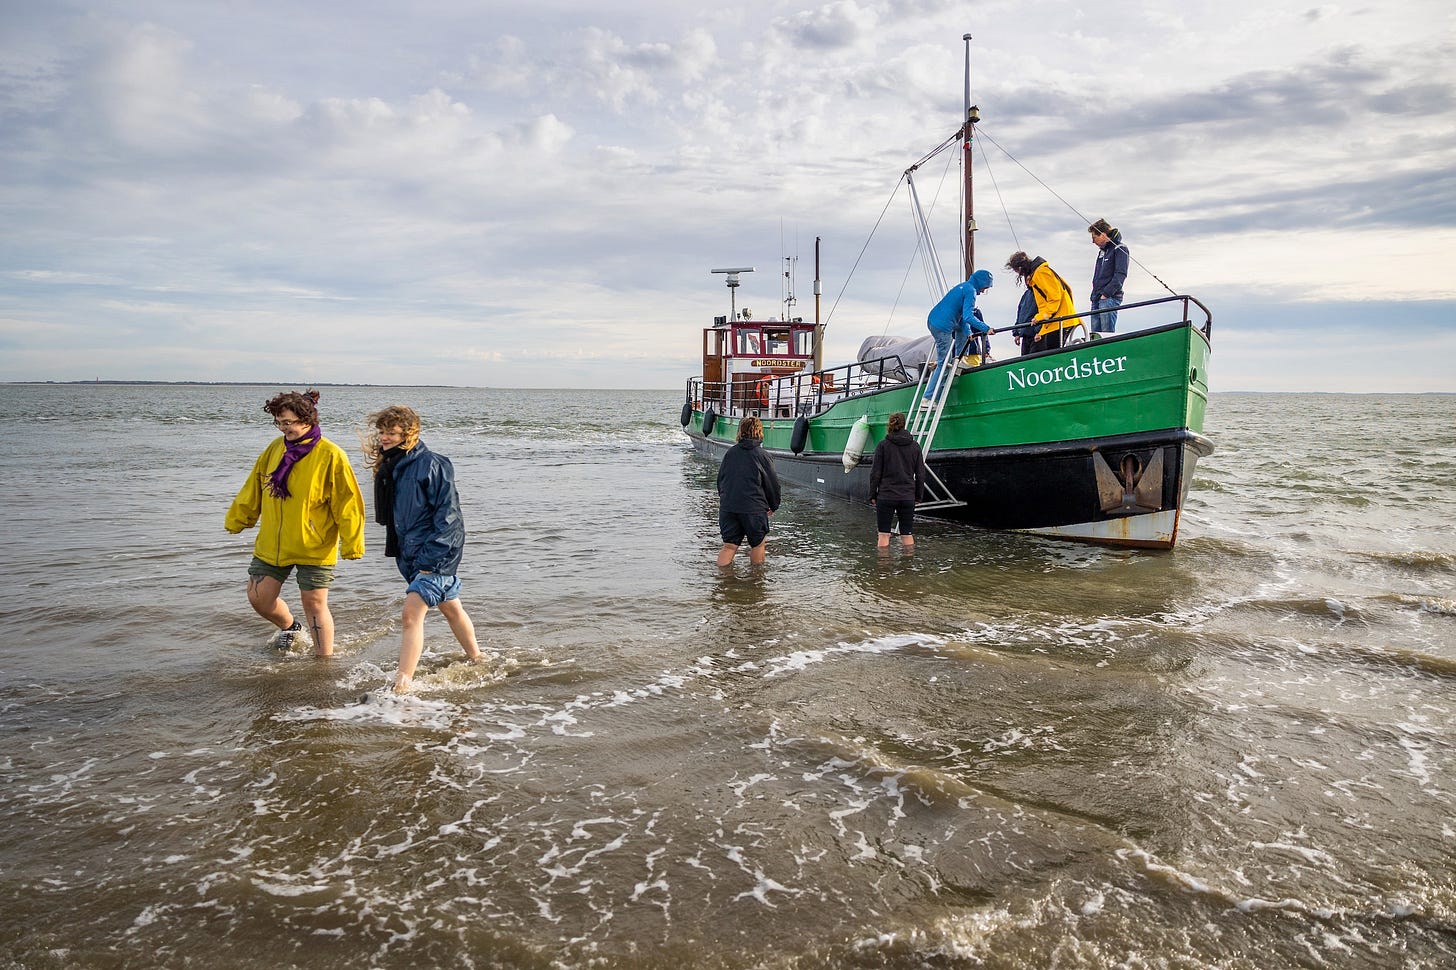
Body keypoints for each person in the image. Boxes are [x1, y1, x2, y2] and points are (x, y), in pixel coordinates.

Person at [226, 389, 365, 656]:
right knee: (259, 598)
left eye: (288, 422)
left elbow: (348, 503)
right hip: (273, 543)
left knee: (314, 603)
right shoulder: (274, 449)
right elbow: (255, 486)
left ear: (307, 419)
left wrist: (351, 544)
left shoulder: (331, 455)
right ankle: (290, 627)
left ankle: (323, 661)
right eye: (279, 422)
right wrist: (238, 518)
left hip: (314, 543)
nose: (283, 428)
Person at [362, 405, 483, 694]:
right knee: (451, 607)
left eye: (391, 433)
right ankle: (478, 659)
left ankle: (402, 685)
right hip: (411, 554)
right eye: (382, 432)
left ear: (409, 434)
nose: (384, 438)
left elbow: (450, 516)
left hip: (435, 553)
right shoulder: (392, 465)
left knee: (410, 614)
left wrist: (431, 560)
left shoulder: (432, 463)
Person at [716, 416, 781, 566]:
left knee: (729, 546)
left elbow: (721, 481)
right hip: (753, 508)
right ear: (759, 432)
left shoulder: (730, 453)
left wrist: (725, 500)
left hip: (728, 508)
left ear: (740, 432)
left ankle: (721, 581)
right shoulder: (763, 455)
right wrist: (773, 505)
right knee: (758, 545)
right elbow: (772, 485)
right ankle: (756, 584)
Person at [924, 268, 994, 401]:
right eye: (985, 287)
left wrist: (969, 333)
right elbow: (968, 316)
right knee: (944, 364)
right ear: (981, 282)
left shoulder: (963, 287)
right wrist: (986, 328)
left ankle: (960, 358)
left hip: (934, 320)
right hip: (943, 326)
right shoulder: (971, 291)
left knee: (962, 331)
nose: (984, 291)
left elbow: (962, 318)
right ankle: (929, 398)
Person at [869, 412, 925, 549]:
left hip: (886, 495)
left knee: (883, 534)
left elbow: (875, 473)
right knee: (907, 534)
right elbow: (920, 474)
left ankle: (883, 567)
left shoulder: (883, 446)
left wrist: (872, 495)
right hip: (907, 496)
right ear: (904, 425)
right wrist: (918, 496)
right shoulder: (915, 446)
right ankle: (908, 566)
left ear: (890, 425)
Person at [1006, 251, 1076, 354]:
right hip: (1053, 322)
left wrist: (1041, 316)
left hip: (1059, 321)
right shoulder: (1038, 274)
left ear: (1021, 268)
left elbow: (1054, 297)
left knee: (1050, 358)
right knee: (1047, 357)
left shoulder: (1041, 273)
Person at [1088, 218, 1129, 335]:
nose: (1093, 241)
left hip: (1108, 298)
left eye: (1094, 237)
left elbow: (1121, 274)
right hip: (1097, 297)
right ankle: (1095, 353)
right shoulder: (1102, 251)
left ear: (1103, 235)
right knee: (1095, 335)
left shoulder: (1120, 248)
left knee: (1106, 334)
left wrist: (1106, 293)